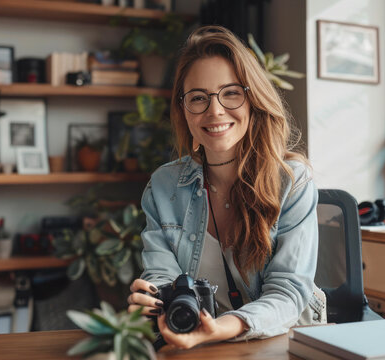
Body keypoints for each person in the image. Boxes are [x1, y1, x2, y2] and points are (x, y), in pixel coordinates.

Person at [127, 25, 326, 350]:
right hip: (201, 346)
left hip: (286, 342)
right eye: (198, 98)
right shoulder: (163, 187)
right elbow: (161, 274)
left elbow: (288, 292)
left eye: (231, 92)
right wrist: (154, 300)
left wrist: (221, 328)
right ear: (184, 111)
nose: (215, 110)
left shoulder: (292, 181)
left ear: (253, 100)